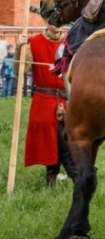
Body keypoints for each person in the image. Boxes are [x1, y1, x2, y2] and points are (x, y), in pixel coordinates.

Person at [14, 24, 76, 185]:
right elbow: (21, 70)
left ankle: (74, 173)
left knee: (69, 137)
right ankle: (55, 175)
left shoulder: (72, 41)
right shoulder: (33, 42)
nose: (56, 24)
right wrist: (20, 48)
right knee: (49, 140)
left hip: (68, 98)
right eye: (52, 20)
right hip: (44, 99)